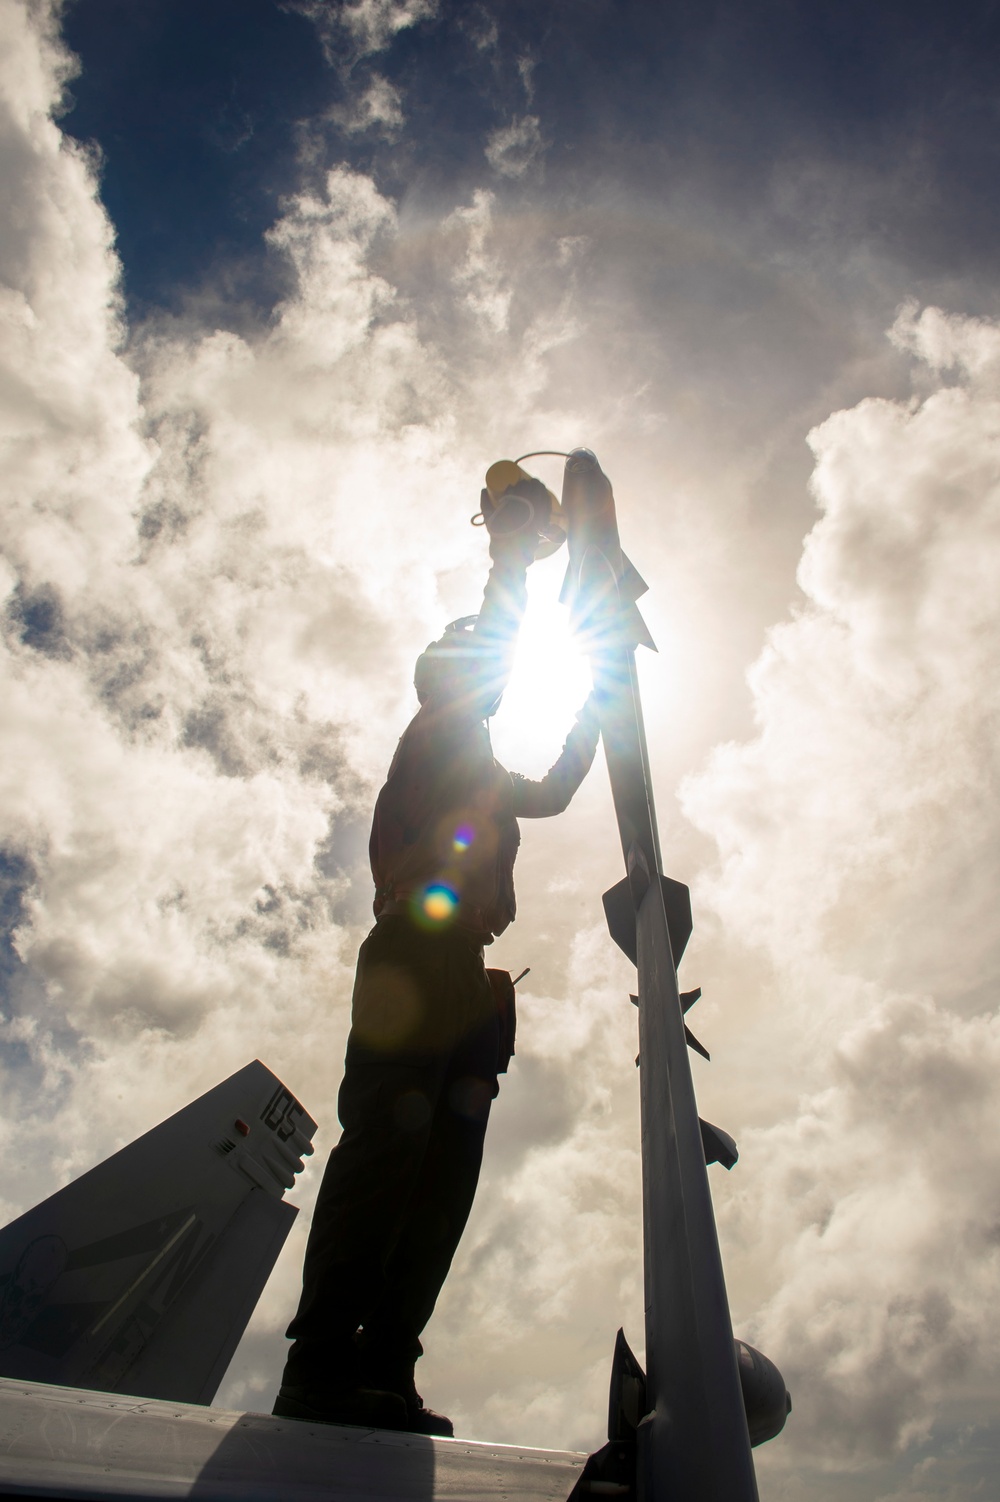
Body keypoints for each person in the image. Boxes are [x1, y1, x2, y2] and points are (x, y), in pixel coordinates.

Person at [273, 485, 601, 1436]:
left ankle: (386, 1366)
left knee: (443, 1177)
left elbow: (553, 790)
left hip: (467, 975)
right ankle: (323, 1362)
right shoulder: (435, 734)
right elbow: (496, 638)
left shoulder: (489, 772)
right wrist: (513, 556)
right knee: (386, 1147)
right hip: (413, 952)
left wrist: (597, 706)